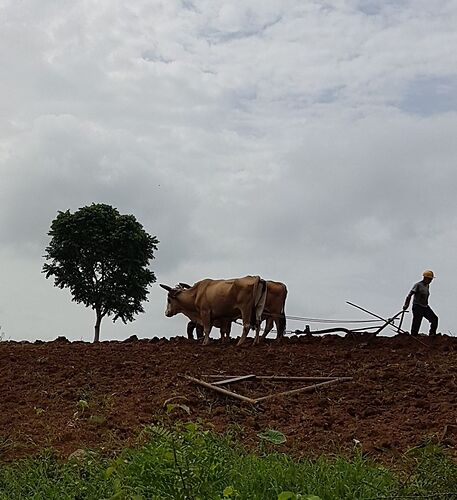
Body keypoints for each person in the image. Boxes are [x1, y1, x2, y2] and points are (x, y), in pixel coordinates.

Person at [403, 270, 438, 336]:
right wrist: (406, 305)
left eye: (431, 279)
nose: (431, 281)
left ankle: (432, 334)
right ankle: (414, 336)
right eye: (430, 279)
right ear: (425, 278)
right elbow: (409, 295)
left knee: (434, 319)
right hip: (417, 306)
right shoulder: (418, 285)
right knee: (417, 321)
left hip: (425, 306)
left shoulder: (427, 286)